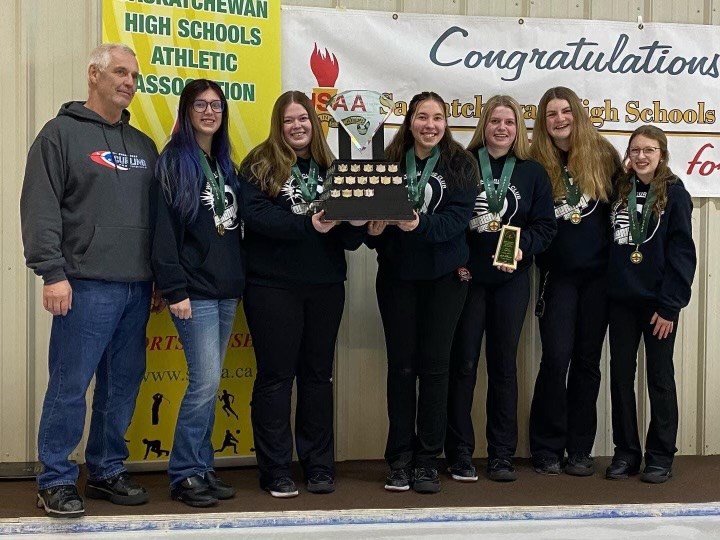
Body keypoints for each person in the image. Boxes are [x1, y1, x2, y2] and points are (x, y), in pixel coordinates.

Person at [20, 43, 158, 517]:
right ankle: (55, 478)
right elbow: (40, 209)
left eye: (134, 76)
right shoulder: (59, 135)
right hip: (83, 285)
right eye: (120, 72)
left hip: (138, 288)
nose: (129, 82)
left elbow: (156, 220)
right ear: (93, 75)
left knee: (122, 386)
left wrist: (160, 279)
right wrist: (51, 273)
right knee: (70, 384)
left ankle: (105, 470)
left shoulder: (143, 146)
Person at [239, 90, 365, 498]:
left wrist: (359, 223)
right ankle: (275, 469)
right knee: (276, 377)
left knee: (317, 376)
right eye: (289, 120)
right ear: (279, 125)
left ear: (314, 123)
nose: (297, 126)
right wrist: (309, 225)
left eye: (303, 119)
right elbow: (255, 217)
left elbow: (347, 239)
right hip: (272, 287)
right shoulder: (259, 163)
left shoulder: (334, 167)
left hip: (325, 287)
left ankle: (318, 466)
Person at [366, 91, 479, 494]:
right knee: (401, 369)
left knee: (435, 369)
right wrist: (373, 232)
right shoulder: (388, 164)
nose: (430, 125)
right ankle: (399, 459)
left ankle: (428, 459)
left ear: (446, 123)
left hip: (445, 279)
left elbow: (456, 221)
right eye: (421, 117)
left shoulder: (462, 165)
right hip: (397, 278)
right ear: (409, 121)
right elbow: (373, 230)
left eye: (437, 118)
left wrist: (420, 226)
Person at [445, 95, 556, 483]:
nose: (502, 128)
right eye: (495, 121)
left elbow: (546, 227)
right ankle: (459, 453)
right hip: (468, 281)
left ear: (518, 128)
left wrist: (522, 244)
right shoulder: (463, 165)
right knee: (463, 366)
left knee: (504, 368)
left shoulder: (531, 173)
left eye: (509, 121)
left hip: (511, 282)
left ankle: (501, 455)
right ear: (484, 125)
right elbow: (448, 218)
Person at [151, 79, 245, 507]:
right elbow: (164, 233)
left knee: (210, 384)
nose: (210, 112)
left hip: (226, 289)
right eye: (200, 105)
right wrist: (174, 289)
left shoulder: (224, 162)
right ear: (186, 112)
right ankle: (185, 473)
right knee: (204, 384)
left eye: (216, 106)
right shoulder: (174, 161)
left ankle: (202, 468)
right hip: (194, 291)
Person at [527, 87, 621, 477]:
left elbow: (626, 207)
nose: (560, 119)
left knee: (587, 362)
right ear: (543, 122)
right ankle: (547, 447)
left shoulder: (603, 155)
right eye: (551, 114)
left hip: (599, 279)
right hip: (558, 278)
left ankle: (580, 448)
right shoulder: (535, 163)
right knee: (556, 358)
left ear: (578, 114)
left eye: (566, 111)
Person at [606, 125, 696, 484]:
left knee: (659, 378)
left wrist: (670, 305)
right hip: (621, 301)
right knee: (621, 378)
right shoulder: (619, 189)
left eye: (649, 150)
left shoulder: (675, 195)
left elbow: (683, 255)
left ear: (662, 154)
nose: (641, 156)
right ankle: (626, 453)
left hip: (658, 305)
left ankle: (660, 456)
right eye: (636, 150)